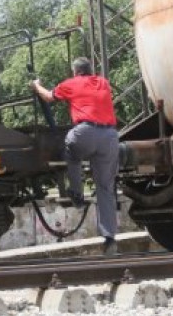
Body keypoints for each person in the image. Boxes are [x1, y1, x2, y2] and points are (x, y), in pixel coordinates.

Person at [30, 57, 120, 256]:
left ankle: (77, 192)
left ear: (75, 71)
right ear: (90, 70)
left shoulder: (71, 84)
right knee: (105, 187)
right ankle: (109, 237)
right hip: (110, 136)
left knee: (71, 152)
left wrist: (37, 86)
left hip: (85, 133)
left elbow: (48, 97)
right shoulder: (103, 82)